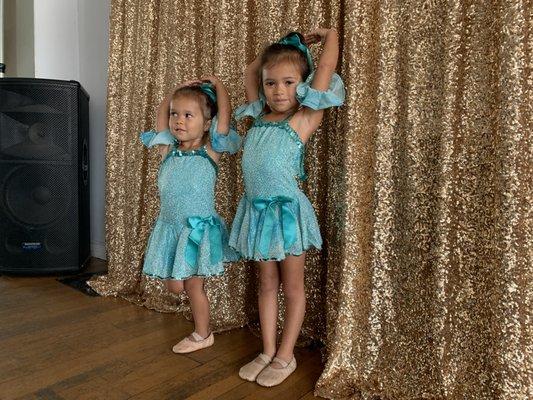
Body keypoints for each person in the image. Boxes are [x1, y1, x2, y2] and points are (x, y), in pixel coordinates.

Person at [229, 29, 345, 386]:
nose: (278, 91)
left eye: (289, 82)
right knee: (266, 283)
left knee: (292, 286)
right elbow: (251, 72)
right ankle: (267, 349)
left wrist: (329, 36)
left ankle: (285, 355)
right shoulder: (257, 118)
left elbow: (326, 65)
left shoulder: (304, 118)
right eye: (271, 84)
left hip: (287, 215)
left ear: (304, 84)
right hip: (258, 213)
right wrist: (280, 47)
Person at [140, 76, 241, 353]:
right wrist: (173, 91)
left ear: (206, 124)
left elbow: (224, 119)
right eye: (175, 114)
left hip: (196, 233)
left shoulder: (210, 151)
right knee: (174, 287)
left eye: (187, 115)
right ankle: (201, 326)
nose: (178, 121)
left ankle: (202, 333)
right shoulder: (166, 150)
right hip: (171, 229)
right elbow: (161, 116)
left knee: (194, 287)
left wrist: (219, 86)